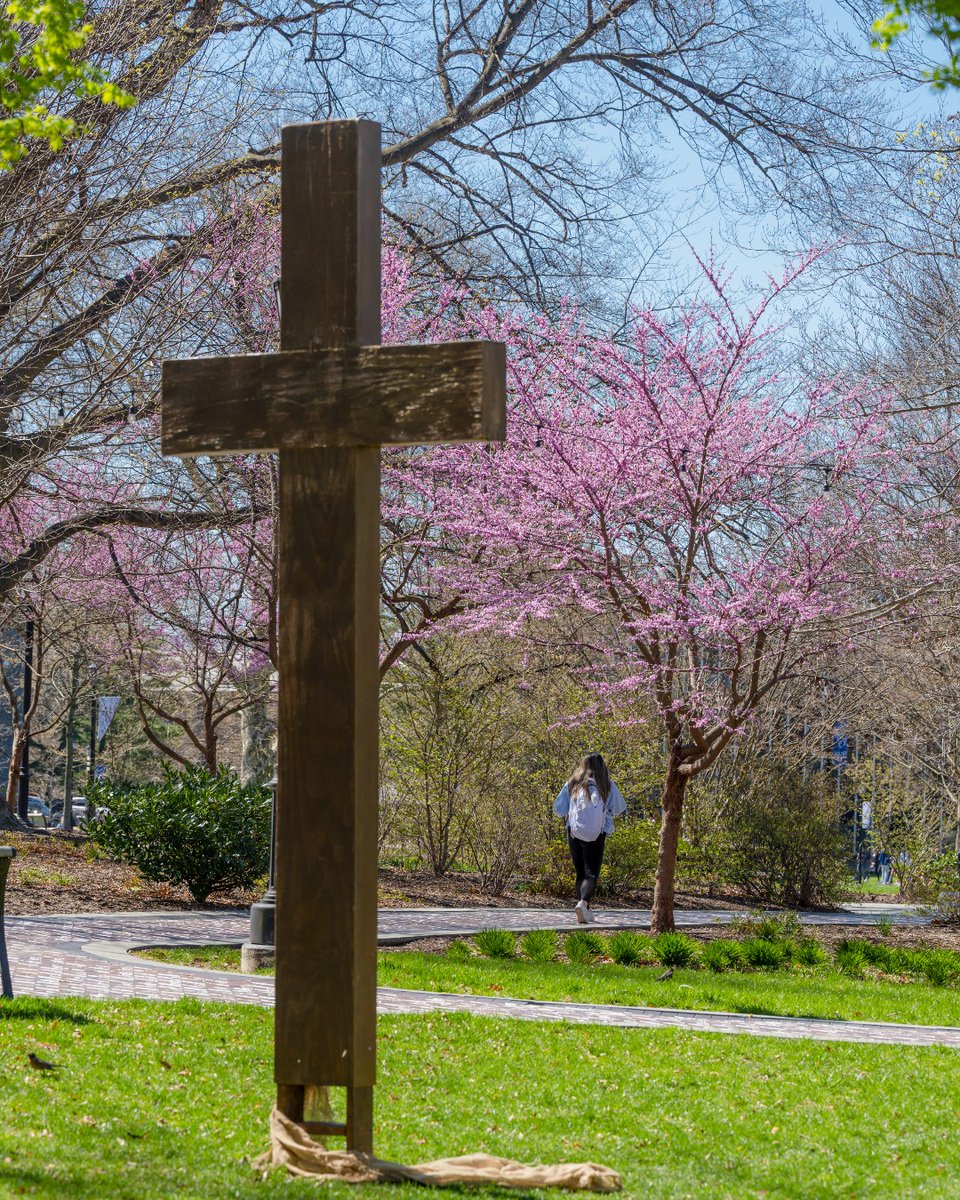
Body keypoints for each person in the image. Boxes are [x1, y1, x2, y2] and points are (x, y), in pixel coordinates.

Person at [554, 753, 627, 923]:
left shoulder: (572, 784)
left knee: (580, 873)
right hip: (597, 834)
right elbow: (619, 808)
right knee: (591, 873)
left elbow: (559, 810)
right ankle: (584, 903)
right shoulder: (606, 785)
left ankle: (585, 908)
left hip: (574, 833)